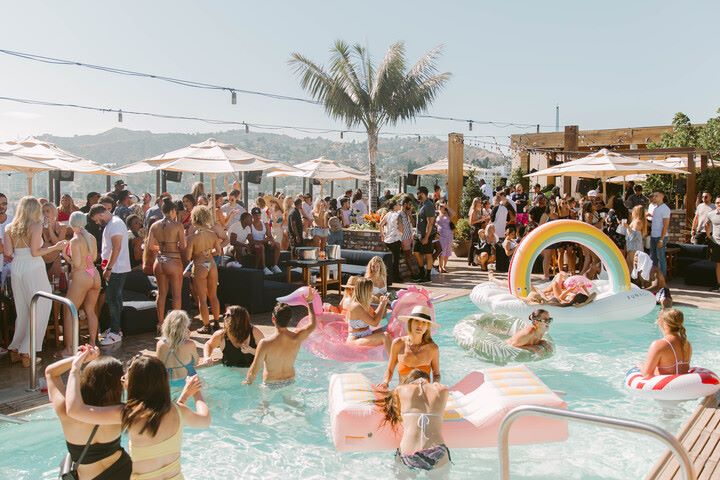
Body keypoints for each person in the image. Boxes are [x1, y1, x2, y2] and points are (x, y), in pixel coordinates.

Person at [66, 349, 211, 480]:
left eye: (126, 376)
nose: (123, 378)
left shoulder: (129, 413)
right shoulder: (178, 410)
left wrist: (74, 369)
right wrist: (196, 394)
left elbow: (74, 410)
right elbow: (205, 420)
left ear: (133, 384)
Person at [46, 351, 131, 480]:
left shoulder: (66, 410)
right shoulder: (122, 412)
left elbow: (50, 373)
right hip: (124, 471)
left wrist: (79, 360)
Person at [6, 196, 66, 367]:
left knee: (23, 309)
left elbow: (8, 253)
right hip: (33, 268)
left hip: (17, 267)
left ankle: (16, 348)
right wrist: (56, 247)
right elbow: (35, 252)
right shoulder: (36, 226)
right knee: (41, 306)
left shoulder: (10, 228)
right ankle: (27, 351)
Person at [376, 369, 450, 472]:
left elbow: (395, 413)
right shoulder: (443, 391)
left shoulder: (400, 390)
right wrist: (435, 383)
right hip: (437, 450)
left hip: (408, 451)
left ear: (409, 380)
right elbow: (437, 385)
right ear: (428, 381)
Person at [243, 288, 318, 387]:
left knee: (265, 403)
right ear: (290, 319)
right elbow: (312, 324)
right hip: (290, 381)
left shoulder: (265, 343)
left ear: (273, 319)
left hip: (270, 384)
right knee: (290, 402)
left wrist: (247, 382)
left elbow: (254, 370)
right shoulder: (297, 337)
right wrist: (310, 302)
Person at [88, 204, 131, 346]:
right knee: (114, 299)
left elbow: (116, 248)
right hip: (114, 268)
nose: (97, 223)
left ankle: (115, 331)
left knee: (114, 300)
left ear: (101, 214)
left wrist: (109, 268)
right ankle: (115, 328)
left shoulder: (116, 224)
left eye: (97, 220)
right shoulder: (113, 224)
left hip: (116, 268)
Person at [59, 212, 101, 356]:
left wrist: (65, 256)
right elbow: (94, 258)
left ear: (71, 223)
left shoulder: (75, 240)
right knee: (90, 310)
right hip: (94, 274)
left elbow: (76, 264)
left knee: (69, 311)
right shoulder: (92, 238)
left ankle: (69, 348)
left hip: (81, 275)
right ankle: (93, 344)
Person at [379, 305, 440, 389]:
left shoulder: (433, 349)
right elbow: (390, 370)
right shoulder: (398, 343)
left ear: (427, 327)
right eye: (416, 321)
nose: (420, 325)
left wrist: (435, 384)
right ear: (410, 322)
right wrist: (385, 382)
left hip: (424, 394)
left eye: (424, 322)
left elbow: (436, 374)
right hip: (402, 393)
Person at [147, 198, 186, 329]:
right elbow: (183, 246)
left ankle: (160, 323)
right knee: (177, 294)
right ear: (173, 211)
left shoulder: (154, 225)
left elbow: (150, 246)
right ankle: (176, 326)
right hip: (173, 260)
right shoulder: (177, 225)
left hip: (159, 261)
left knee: (161, 293)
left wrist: (161, 248)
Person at [185, 205, 222, 334]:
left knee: (202, 299)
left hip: (200, 265)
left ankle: (206, 326)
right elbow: (218, 251)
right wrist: (208, 252)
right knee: (213, 296)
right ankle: (217, 323)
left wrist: (198, 252)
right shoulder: (212, 234)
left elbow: (188, 256)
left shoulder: (192, 238)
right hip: (211, 264)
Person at [640, 308, 692, 378]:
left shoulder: (658, 345)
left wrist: (640, 366)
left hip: (667, 388)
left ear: (664, 323)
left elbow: (647, 375)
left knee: (640, 365)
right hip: (686, 385)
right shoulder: (687, 344)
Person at [345, 278, 391, 351]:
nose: (372, 292)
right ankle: (392, 361)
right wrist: (382, 305)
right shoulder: (356, 306)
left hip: (366, 334)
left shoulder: (363, 303)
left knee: (388, 331)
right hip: (355, 339)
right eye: (371, 290)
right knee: (385, 336)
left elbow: (374, 315)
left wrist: (382, 303)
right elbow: (375, 323)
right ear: (365, 291)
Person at [156, 310, 199, 388]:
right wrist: (187, 339)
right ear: (184, 326)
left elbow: (159, 367)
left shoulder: (160, 344)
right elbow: (196, 362)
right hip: (188, 383)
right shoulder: (190, 344)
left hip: (168, 384)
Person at [412, 186, 436, 283]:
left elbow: (430, 223)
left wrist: (426, 237)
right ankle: (421, 272)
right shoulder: (421, 204)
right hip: (418, 234)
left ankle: (428, 275)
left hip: (427, 235)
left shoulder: (429, 205)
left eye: (418, 193)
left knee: (428, 254)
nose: (417, 195)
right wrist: (416, 231)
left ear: (423, 194)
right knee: (416, 252)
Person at [249, 206, 282, 275]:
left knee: (277, 244)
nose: (257, 216)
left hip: (263, 243)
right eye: (255, 215)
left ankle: (274, 265)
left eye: (259, 214)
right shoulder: (250, 225)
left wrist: (272, 241)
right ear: (252, 215)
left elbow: (270, 236)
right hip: (255, 245)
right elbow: (251, 240)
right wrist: (264, 241)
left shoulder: (265, 224)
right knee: (261, 246)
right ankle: (264, 267)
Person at [41, 201, 67, 281]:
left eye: (47, 211)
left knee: (55, 285)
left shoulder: (62, 227)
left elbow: (58, 245)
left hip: (54, 260)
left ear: (54, 213)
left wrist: (50, 229)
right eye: (43, 211)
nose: (45, 213)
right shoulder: (38, 227)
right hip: (41, 261)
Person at [647, 190, 671, 277]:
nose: (654, 197)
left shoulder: (665, 209)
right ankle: (655, 277)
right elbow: (655, 223)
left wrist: (661, 239)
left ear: (662, 196)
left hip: (660, 237)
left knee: (661, 258)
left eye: (656, 196)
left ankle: (662, 279)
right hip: (653, 236)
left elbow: (665, 225)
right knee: (653, 257)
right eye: (653, 196)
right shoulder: (655, 208)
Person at [617, 205, 646, 270]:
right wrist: (623, 226)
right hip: (631, 248)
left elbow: (633, 237)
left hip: (635, 248)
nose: (631, 212)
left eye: (633, 211)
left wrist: (627, 227)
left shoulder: (638, 222)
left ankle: (634, 280)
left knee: (633, 268)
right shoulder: (635, 221)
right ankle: (629, 280)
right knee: (629, 267)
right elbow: (629, 234)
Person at [379, 200, 403, 280]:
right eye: (398, 204)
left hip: (388, 240)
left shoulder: (388, 214)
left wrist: (382, 234)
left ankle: (389, 276)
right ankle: (395, 277)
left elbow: (380, 224)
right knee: (395, 260)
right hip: (395, 239)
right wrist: (402, 233)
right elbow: (400, 227)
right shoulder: (398, 215)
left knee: (390, 259)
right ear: (394, 206)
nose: (399, 205)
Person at [705, 195, 720, 292]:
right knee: (718, 264)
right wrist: (709, 235)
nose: (719, 204)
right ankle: (719, 285)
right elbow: (707, 224)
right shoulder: (711, 214)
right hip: (716, 243)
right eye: (718, 203)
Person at [436, 202, 454, 273]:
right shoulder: (436, 213)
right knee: (442, 251)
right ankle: (440, 267)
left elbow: (454, 213)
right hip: (440, 235)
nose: (441, 207)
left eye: (442, 206)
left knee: (447, 251)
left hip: (449, 235)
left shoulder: (447, 213)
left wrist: (447, 206)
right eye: (440, 206)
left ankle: (444, 266)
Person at [467, 197, 483, 266]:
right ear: (476, 203)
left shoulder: (478, 210)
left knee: (476, 245)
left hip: (478, 228)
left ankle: (473, 260)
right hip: (474, 228)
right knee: (473, 245)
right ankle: (470, 260)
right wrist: (480, 220)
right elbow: (471, 222)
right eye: (479, 202)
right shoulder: (473, 211)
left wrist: (482, 219)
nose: (480, 203)